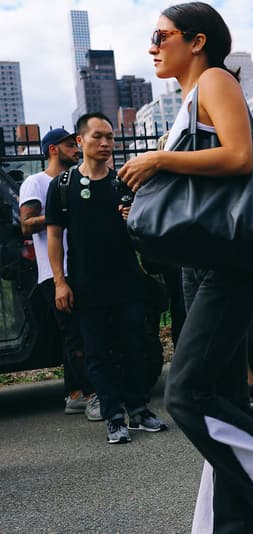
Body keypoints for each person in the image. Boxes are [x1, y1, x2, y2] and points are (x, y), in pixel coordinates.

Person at [117, 4, 253, 532]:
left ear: (197, 40)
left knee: (186, 392)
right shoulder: (188, 99)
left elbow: (238, 158)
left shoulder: (213, 80)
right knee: (227, 395)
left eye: (160, 35)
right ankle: (238, 523)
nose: (152, 46)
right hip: (204, 261)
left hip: (234, 260)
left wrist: (159, 160)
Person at [45, 113, 167, 445]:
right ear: (80, 141)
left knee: (134, 347)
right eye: (98, 137)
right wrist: (60, 281)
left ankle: (139, 409)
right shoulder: (63, 186)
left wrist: (134, 218)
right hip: (85, 284)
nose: (106, 144)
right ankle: (114, 416)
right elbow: (54, 237)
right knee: (97, 352)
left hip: (127, 280)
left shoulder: (123, 182)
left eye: (110, 138)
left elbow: (146, 231)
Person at [19, 128, 100, 421]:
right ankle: (91, 396)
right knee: (76, 333)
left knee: (77, 333)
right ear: (53, 149)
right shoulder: (35, 182)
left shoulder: (74, 180)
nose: (76, 148)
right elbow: (26, 225)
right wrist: (61, 213)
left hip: (79, 267)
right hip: (54, 272)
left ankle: (76, 394)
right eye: (69, 145)